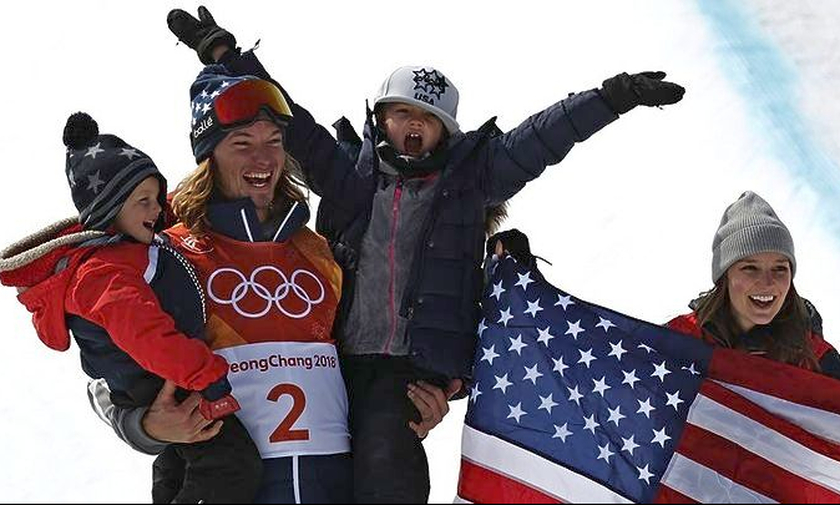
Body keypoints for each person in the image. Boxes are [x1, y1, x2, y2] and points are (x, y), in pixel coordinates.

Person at [165, 6, 686, 502]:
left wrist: (612, 97)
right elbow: (291, 121)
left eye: (429, 119)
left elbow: (539, 140)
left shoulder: (471, 183)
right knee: (327, 471)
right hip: (335, 357)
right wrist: (223, 53)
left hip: (410, 372)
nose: (414, 125)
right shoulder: (350, 179)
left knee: (387, 465)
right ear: (380, 119)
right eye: (402, 113)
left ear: (446, 133)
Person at [0, 112, 262, 503]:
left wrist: (225, 163)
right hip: (167, 381)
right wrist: (206, 375)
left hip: (168, 382)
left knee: (178, 468)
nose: (155, 209)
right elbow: (145, 334)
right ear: (108, 209)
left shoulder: (132, 246)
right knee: (231, 467)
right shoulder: (103, 272)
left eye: (156, 197)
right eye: (143, 201)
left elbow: (176, 205)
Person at [666, 191, 840, 378]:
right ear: (725, 276)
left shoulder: (818, 360)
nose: (767, 283)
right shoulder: (678, 339)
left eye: (779, 269)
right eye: (750, 268)